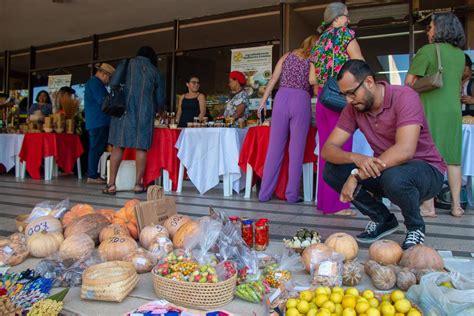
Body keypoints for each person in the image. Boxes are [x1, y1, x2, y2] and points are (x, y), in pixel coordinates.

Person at [322, 60, 446, 249]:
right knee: (332, 170)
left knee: (394, 176)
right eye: (344, 95)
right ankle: (383, 219)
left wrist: (356, 175)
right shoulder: (353, 108)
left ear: (369, 82)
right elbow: (328, 149)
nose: (348, 100)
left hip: (426, 171)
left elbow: (405, 150)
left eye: (352, 93)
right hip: (386, 170)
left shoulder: (404, 96)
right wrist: (356, 158)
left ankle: (415, 227)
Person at [405, 12, 465, 217]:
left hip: (431, 108)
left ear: (440, 28)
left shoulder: (428, 50)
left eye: (430, 26)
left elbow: (409, 82)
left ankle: (428, 206)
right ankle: (456, 206)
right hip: (453, 110)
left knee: (429, 156)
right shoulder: (460, 55)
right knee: (452, 158)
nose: (428, 30)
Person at [309, 1, 364, 215]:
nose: (348, 20)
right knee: (342, 150)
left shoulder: (319, 41)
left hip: (324, 97)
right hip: (340, 96)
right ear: (337, 18)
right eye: (346, 16)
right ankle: (340, 205)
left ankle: (325, 202)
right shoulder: (344, 34)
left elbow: (312, 78)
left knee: (326, 149)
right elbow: (359, 63)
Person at [258, 35, 319, 203]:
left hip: (281, 98)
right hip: (301, 100)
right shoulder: (314, 59)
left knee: (274, 149)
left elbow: (273, 80)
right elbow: (312, 82)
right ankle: (292, 195)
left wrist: (263, 103)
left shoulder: (287, 56)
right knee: (296, 150)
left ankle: (264, 194)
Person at [103, 46, 164, 195]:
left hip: (124, 110)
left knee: (118, 146)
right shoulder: (155, 71)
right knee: (141, 147)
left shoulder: (127, 63)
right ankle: (138, 184)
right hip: (145, 112)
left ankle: (111, 185)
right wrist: (160, 110)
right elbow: (160, 98)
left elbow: (113, 84)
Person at [84, 62, 115, 184]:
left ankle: (93, 173)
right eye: (109, 77)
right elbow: (104, 101)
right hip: (98, 121)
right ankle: (92, 175)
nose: (109, 80)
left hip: (97, 121)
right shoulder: (95, 83)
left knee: (97, 148)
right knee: (96, 148)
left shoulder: (94, 83)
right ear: (102, 74)